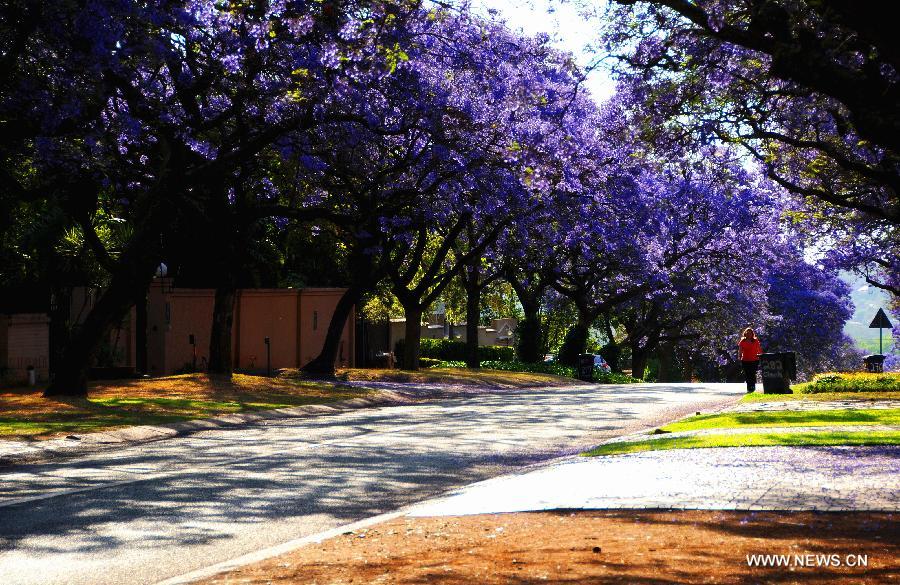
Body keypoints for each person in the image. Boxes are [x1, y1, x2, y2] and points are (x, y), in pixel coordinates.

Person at [738, 327, 763, 393]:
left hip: (754, 360)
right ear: (745, 334)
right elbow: (740, 350)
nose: (749, 334)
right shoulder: (742, 341)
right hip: (745, 360)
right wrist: (739, 357)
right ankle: (749, 387)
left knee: (752, 373)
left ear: (752, 334)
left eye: (750, 333)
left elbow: (759, 349)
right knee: (747, 374)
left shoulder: (755, 341)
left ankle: (753, 386)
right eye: (747, 333)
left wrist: (762, 356)